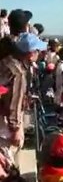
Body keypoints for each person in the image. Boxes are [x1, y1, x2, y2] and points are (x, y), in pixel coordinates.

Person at [0, 32, 47, 166]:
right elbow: (14, 102)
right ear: (30, 53)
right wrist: (15, 129)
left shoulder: (6, 62)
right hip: (5, 127)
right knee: (7, 164)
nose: (39, 53)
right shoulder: (18, 72)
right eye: (37, 50)